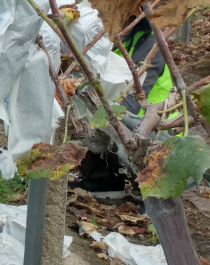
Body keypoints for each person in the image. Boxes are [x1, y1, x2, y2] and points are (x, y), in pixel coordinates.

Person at [70, 15, 172, 199]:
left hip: (153, 134)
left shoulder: (150, 46)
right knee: (71, 108)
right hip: (122, 125)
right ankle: (102, 179)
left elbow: (129, 105)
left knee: (91, 113)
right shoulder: (108, 39)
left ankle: (153, 193)